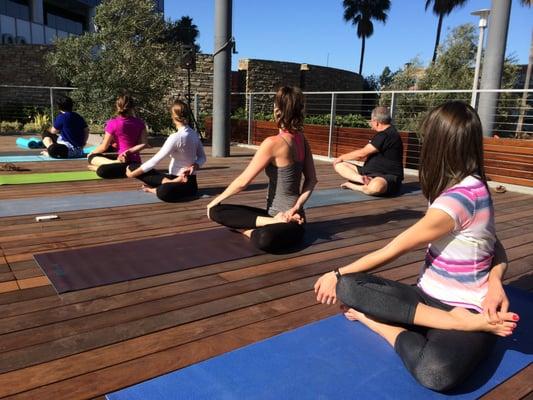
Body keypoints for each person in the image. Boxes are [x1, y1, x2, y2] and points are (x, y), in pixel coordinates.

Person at [314, 101, 518, 392]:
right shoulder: (471, 186)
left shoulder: (458, 200)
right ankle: (427, 320)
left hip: (468, 310)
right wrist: (497, 281)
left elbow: (393, 249)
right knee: (350, 286)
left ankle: (395, 322)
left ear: (439, 144)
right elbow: (494, 245)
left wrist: (334, 273)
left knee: (435, 373)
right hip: (424, 297)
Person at [207, 86, 318, 253]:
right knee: (265, 236)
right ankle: (271, 223)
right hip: (294, 220)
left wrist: (215, 201)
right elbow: (311, 180)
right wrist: (296, 207)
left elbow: (243, 182)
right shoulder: (303, 140)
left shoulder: (272, 143)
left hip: (287, 221)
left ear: (277, 110)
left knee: (217, 212)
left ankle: (261, 226)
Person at [126, 99, 206, 202]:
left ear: (173, 117)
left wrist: (132, 174)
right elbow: (202, 157)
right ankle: (167, 182)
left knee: (163, 191)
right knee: (134, 167)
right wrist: (195, 165)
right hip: (187, 182)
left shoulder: (176, 137)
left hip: (184, 184)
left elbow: (155, 160)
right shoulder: (193, 133)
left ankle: (155, 189)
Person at [333, 106, 403, 196]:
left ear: (376, 122)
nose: (371, 123)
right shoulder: (386, 133)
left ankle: (355, 186)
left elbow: (362, 153)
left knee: (376, 187)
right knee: (340, 165)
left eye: (371, 121)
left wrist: (341, 157)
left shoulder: (386, 135)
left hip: (386, 176)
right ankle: (362, 179)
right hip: (368, 173)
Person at [88, 94, 148, 179]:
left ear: (117, 106)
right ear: (132, 108)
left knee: (93, 159)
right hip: (135, 162)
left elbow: (104, 146)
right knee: (105, 166)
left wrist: (92, 153)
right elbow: (144, 143)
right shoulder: (140, 123)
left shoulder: (112, 123)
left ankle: (114, 163)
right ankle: (116, 162)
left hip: (124, 161)